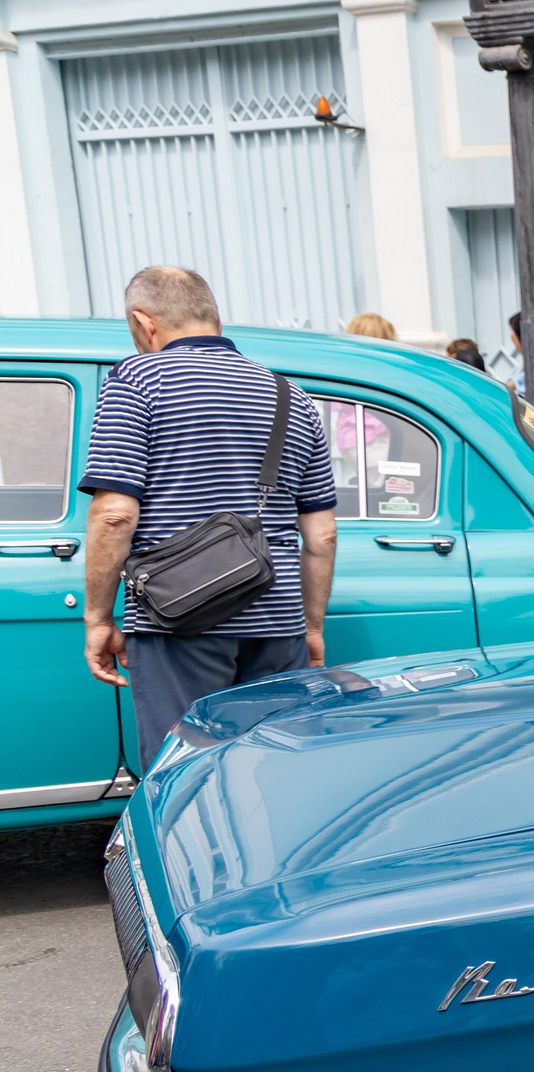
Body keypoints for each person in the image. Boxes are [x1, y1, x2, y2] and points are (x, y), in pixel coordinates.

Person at [76, 267, 338, 764]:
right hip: (278, 615)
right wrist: (310, 627)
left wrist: (98, 618)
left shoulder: (135, 378)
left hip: (178, 617)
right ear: (215, 319)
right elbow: (322, 534)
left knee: (186, 769)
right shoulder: (291, 396)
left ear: (143, 322)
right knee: (277, 763)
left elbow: (113, 514)